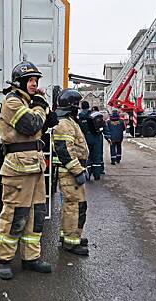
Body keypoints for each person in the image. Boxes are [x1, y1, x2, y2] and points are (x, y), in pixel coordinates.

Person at [0, 60, 58, 280]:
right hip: (18, 167)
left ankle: (31, 258)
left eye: (36, 80)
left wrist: (43, 103)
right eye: (30, 80)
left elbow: (50, 121)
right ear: (19, 82)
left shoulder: (29, 102)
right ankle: (4, 259)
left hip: (35, 165)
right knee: (14, 214)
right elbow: (32, 124)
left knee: (36, 213)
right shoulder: (12, 102)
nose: (34, 83)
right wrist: (39, 104)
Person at [52, 89, 89, 256]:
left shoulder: (67, 121)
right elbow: (64, 150)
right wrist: (78, 171)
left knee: (74, 206)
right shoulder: (63, 124)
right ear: (71, 106)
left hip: (71, 172)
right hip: (69, 173)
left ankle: (70, 236)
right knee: (74, 207)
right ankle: (70, 243)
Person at [79, 101, 104, 180]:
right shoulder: (93, 115)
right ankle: (97, 175)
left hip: (86, 138)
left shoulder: (80, 116)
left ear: (81, 107)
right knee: (97, 156)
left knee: (88, 156)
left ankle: (88, 175)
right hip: (96, 138)